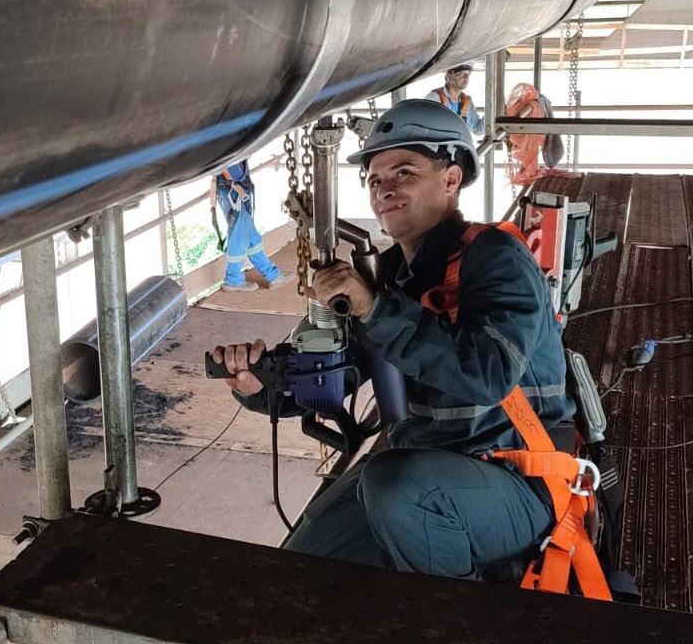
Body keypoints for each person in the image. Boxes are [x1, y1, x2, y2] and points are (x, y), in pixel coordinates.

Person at [212, 100, 573, 579]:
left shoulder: (497, 257)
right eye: (376, 179)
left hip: (518, 478)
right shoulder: (397, 276)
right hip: (429, 467)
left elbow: (488, 374)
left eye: (404, 171)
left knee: (394, 486)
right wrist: (263, 385)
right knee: (299, 565)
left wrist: (375, 308)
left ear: (451, 179)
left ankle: (457, 639)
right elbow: (346, 370)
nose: (386, 188)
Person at [215, 160, 290, 292]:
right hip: (234, 191)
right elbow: (230, 164)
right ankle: (232, 280)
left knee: (252, 239)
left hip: (236, 189)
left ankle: (272, 275)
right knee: (238, 239)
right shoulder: (224, 146)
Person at [427, 64, 484, 135]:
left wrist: (494, 111)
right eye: (461, 73)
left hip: (460, 144)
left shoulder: (466, 101)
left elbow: (477, 129)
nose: (466, 78)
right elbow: (426, 129)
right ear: (449, 77)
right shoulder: (435, 98)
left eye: (468, 74)